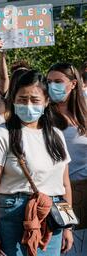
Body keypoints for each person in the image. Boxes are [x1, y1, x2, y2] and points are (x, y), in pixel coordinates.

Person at [0, 70, 73, 256]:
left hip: (50, 218)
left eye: (35, 100)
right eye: (22, 99)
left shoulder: (56, 136)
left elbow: (64, 183)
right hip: (13, 215)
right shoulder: (1, 134)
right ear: (13, 99)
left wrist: (68, 225)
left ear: (46, 101)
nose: (28, 105)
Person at [47, 63, 87, 229]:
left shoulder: (84, 114)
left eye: (58, 81)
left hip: (83, 191)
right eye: (48, 82)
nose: (52, 86)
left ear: (73, 83)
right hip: (58, 193)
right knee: (66, 238)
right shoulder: (43, 115)